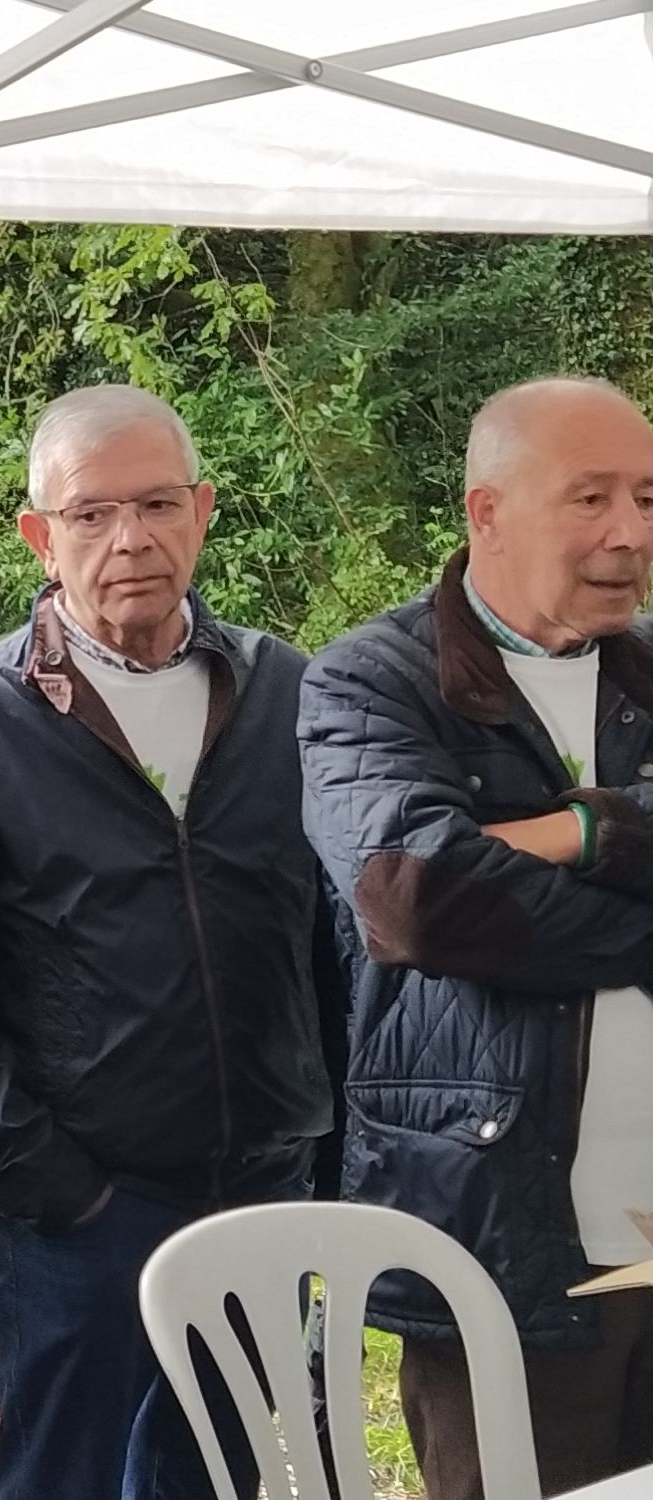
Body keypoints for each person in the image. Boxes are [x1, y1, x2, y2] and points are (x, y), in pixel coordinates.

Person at [0, 384, 340, 1500]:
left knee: (221, 1474)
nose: (127, 539)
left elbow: (335, 939)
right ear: (38, 536)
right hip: (84, 1213)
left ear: (202, 513)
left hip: (263, 1188)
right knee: (65, 1480)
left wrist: (329, 1149)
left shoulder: (286, 692)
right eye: (88, 515)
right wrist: (42, 1177)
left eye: (155, 505)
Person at [301, 376, 653, 1497]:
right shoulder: (371, 681)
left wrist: (559, 834)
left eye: (645, 498)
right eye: (588, 497)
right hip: (497, 1236)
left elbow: (474, 885)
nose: (627, 534)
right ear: (485, 512)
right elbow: (414, 895)